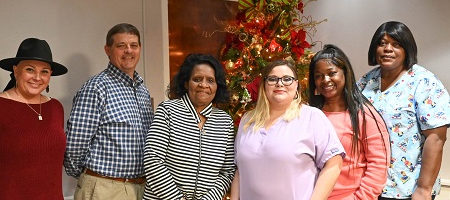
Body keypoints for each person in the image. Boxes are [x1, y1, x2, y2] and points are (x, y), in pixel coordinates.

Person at [0, 37, 68, 200]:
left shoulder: (55, 108)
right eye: (30, 69)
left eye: (44, 71)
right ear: (16, 71)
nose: (37, 77)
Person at [358, 21, 450, 200]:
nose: (387, 49)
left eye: (396, 44)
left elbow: (436, 138)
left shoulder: (424, 82)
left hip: (409, 188)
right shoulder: (366, 81)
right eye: (382, 43)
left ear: (407, 49)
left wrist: (423, 189)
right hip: (371, 185)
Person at [231, 59, 345, 200]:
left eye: (287, 79)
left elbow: (334, 164)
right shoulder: (247, 120)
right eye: (273, 79)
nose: (280, 83)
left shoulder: (312, 117)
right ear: (264, 85)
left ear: (296, 85)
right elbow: (240, 172)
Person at [64, 23, 154, 200]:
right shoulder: (96, 87)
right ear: (108, 50)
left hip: (141, 188)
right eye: (121, 45)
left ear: (140, 49)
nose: (129, 51)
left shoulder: (143, 90)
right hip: (104, 189)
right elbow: (75, 145)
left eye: (133, 45)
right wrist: (91, 178)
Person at [143, 54, 235, 200]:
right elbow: (152, 159)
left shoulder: (225, 122)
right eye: (197, 79)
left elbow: (227, 172)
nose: (203, 85)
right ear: (186, 83)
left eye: (210, 80)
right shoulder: (168, 110)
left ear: (217, 86)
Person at [308, 44, 390, 199]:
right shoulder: (309, 114)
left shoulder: (365, 115)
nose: (325, 80)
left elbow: (378, 165)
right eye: (318, 76)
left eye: (332, 73)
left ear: (345, 74)